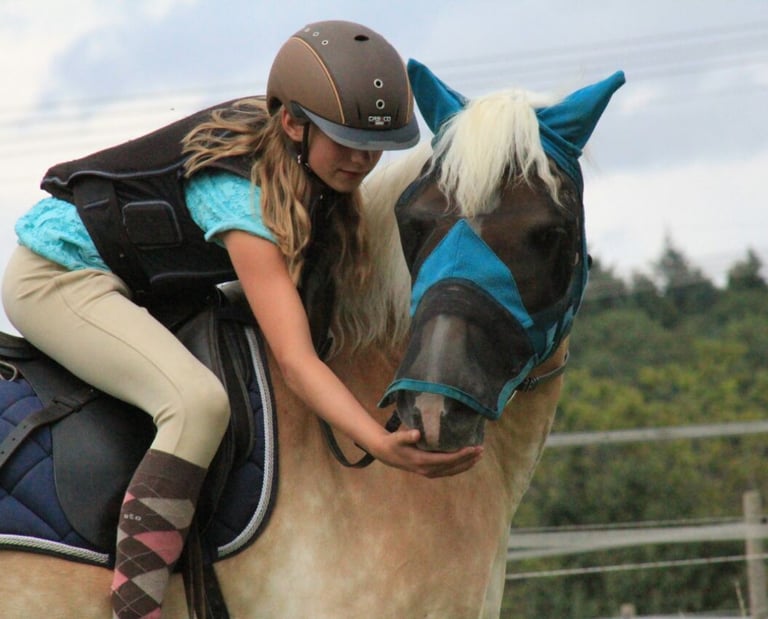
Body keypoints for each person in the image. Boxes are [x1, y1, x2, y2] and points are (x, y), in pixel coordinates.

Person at [1, 20, 482, 619]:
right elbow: (296, 360)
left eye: (374, 144)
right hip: (58, 277)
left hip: (136, 283)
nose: (363, 159)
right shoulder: (238, 194)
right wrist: (379, 442)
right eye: (346, 140)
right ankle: (136, 603)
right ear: (294, 124)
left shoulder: (303, 162)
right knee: (197, 404)